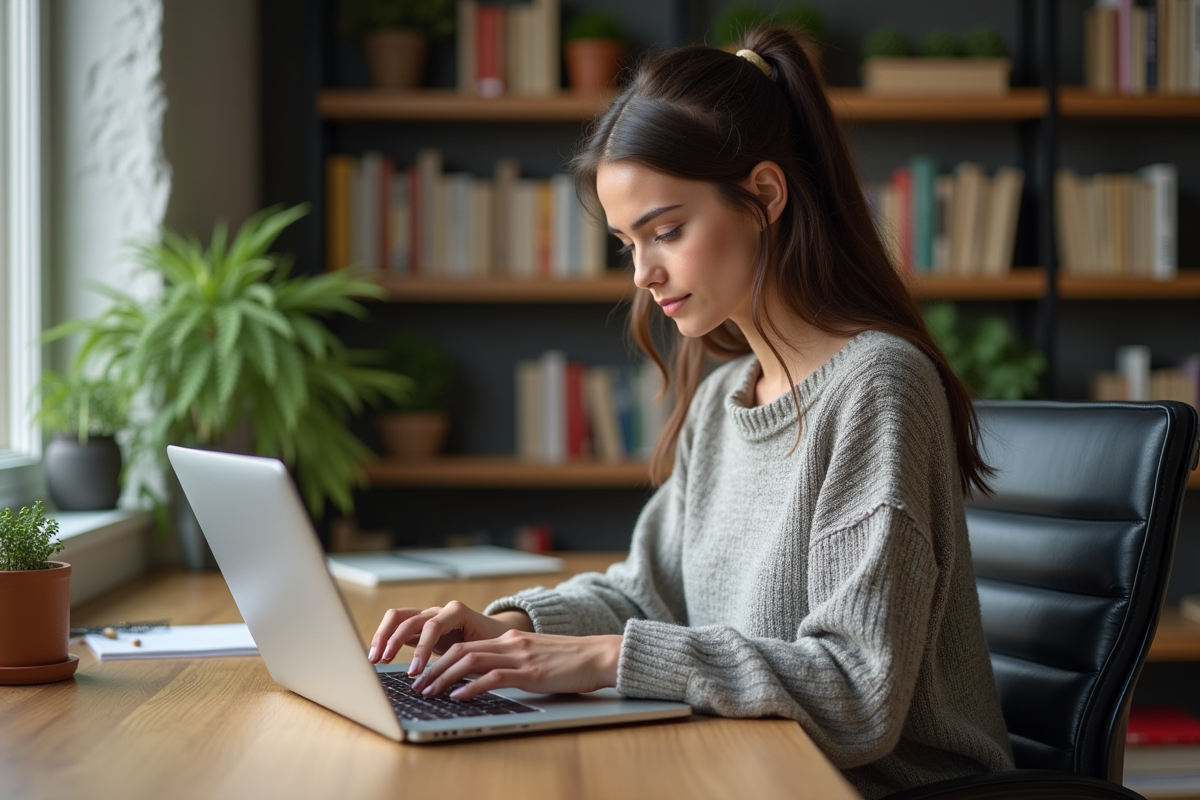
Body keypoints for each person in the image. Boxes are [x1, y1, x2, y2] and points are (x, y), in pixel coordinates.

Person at [368, 26, 1014, 798]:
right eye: (626, 244)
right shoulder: (725, 397)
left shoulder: (878, 385)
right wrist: (513, 631)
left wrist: (607, 658)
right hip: (747, 766)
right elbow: (650, 591)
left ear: (766, 195)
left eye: (666, 231)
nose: (644, 272)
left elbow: (856, 693)